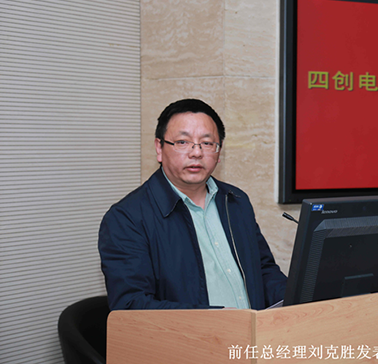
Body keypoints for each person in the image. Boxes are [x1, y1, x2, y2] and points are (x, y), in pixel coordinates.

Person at [98, 98, 287, 310]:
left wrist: (298, 299)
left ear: (219, 151)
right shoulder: (126, 218)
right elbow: (132, 306)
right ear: (159, 148)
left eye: (207, 143)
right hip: (195, 333)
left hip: (255, 330)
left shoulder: (235, 201)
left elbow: (263, 271)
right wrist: (223, 320)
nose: (196, 153)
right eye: (182, 142)